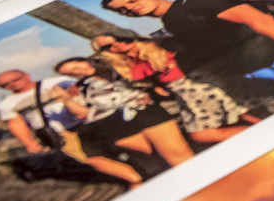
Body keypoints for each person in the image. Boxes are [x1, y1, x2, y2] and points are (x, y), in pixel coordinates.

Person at [100, 0, 274, 96]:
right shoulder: (171, 22)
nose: (129, 9)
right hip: (266, 66)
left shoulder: (196, 4)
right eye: (122, 10)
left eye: (132, 1)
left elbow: (261, 21)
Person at [93, 34, 257, 144]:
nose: (117, 43)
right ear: (105, 52)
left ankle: (258, 135)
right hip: (184, 95)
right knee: (236, 116)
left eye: (118, 38)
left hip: (194, 90)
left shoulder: (154, 49)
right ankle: (259, 134)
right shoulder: (128, 65)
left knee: (201, 133)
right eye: (108, 45)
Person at [50, 57, 194, 182]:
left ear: (83, 60)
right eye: (70, 73)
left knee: (178, 154)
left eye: (75, 67)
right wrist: (66, 99)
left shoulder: (119, 66)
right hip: (118, 124)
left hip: (146, 111)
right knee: (152, 164)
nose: (76, 72)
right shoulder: (81, 87)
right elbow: (83, 113)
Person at [0, 68, 137, 184]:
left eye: (16, 79)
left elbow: (86, 90)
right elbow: (16, 123)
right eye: (5, 84)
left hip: (88, 122)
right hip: (62, 135)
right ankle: (133, 178)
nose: (12, 84)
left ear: (26, 75)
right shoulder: (7, 104)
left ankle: (140, 168)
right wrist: (28, 142)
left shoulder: (56, 82)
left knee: (121, 145)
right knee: (91, 159)